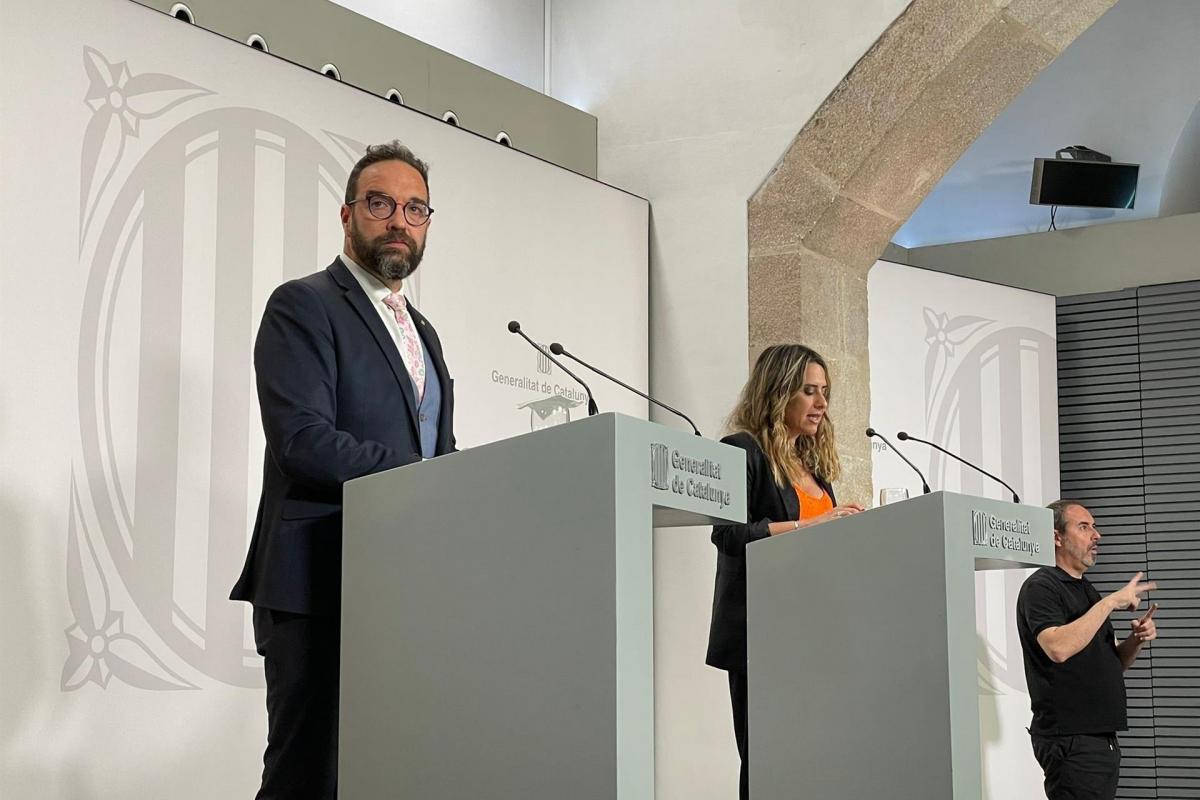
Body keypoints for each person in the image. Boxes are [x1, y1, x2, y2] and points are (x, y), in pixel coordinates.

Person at [230, 140, 456, 800]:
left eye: (415, 209)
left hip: (400, 585)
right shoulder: (303, 305)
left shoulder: (425, 332)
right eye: (380, 204)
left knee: (383, 776)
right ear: (347, 213)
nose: (398, 221)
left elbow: (438, 449)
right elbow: (303, 441)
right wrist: (425, 473)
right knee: (307, 779)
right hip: (317, 580)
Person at [705, 343, 864, 799]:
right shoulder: (743, 451)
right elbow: (728, 535)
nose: (821, 403)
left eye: (825, 392)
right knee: (768, 760)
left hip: (813, 633)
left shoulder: (814, 464)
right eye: (809, 391)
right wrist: (810, 525)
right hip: (763, 635)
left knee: (811, 758)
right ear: (778, 392)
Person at [1016, 500, 1159, 800]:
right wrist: (1110, 602)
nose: (1097, 535)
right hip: (1071, 739)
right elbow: (1057, 648)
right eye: (1084, 527)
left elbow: (1112, 663)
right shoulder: (1041, 587)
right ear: (1057, 537)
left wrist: (1136, 640)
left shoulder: (1086, 589)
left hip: (1099, 737)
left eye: (1094, 526)